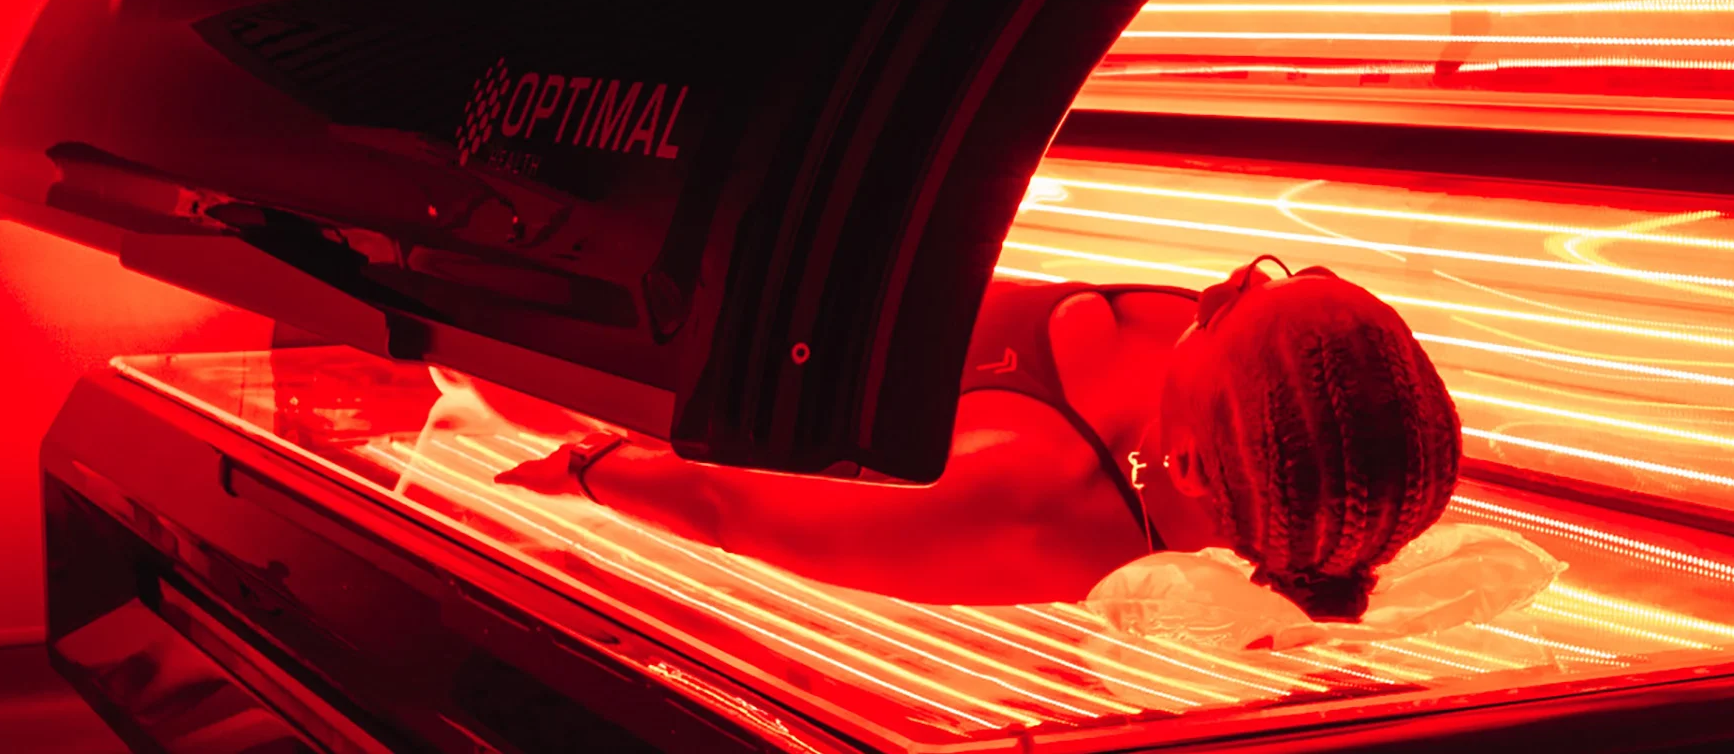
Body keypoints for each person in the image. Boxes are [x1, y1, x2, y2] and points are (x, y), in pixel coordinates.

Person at [495, 257, 1462, 619]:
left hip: (611, 375)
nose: (1238, 278)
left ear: (1193, 467)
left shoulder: (1031, 504)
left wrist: (572, 460)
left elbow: (724, 502)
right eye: (1284, 276)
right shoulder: (1244, 386)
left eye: (1228, 305)